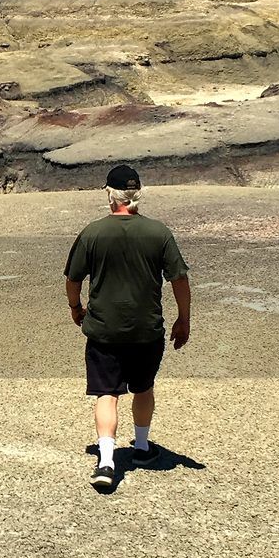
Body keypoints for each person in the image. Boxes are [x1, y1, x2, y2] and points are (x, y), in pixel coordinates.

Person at [64, 164, 190, 493]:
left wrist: (76, 308)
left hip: (104, 330)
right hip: (146, 330)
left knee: (107, 394)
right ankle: (143, 448)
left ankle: (106, 461)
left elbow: (73, 279)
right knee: (143, 388)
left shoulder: (92, 233)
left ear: (110, 195)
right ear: (137, 195)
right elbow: (179, 278)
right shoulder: (158, 233)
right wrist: (184, 318)